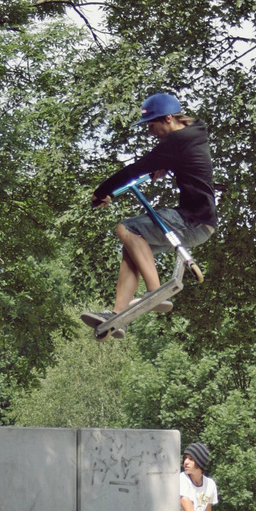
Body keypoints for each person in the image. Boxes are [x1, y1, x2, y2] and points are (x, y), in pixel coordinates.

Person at [81, 92, 217, 338]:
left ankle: (155, 291)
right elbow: (186, 160)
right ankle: (118, 315)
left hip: (192, 221)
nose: (149, 132)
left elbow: (134, 169)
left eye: (151, 125)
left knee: (126, 228)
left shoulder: (176, 141)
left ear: (168, 119)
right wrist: (168, 164)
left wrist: (102, 192)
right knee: (131, 247)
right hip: (198, 222)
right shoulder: (194, 133)